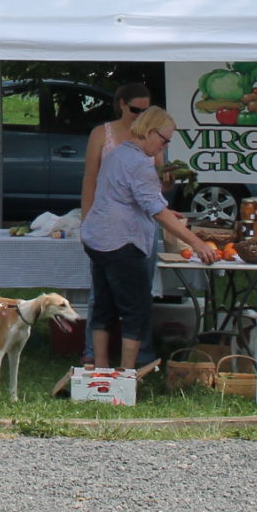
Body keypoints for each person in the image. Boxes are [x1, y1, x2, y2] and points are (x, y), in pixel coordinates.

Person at [79, 105, 215, 373]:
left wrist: (163, 210)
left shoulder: (117, 154)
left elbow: (126, 196)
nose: (164, 147)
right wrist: (197, 243)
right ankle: (128, 372)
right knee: (136, 310)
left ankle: (100, 367)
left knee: (104, 306)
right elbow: (157, 211)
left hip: (98, 239)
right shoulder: (141, 163)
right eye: (164, 141)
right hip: (122, 242)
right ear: (150, 132)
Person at [81, 81, 169, 216]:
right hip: (108, 214)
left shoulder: (152, 135)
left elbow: (158, 183)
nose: (140, 115)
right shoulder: (100, 133)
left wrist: (169, 179)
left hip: (142, 214)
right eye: (135, 110)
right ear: (122, 104)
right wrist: (86, 219)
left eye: (145, 111)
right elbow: (90, 180)